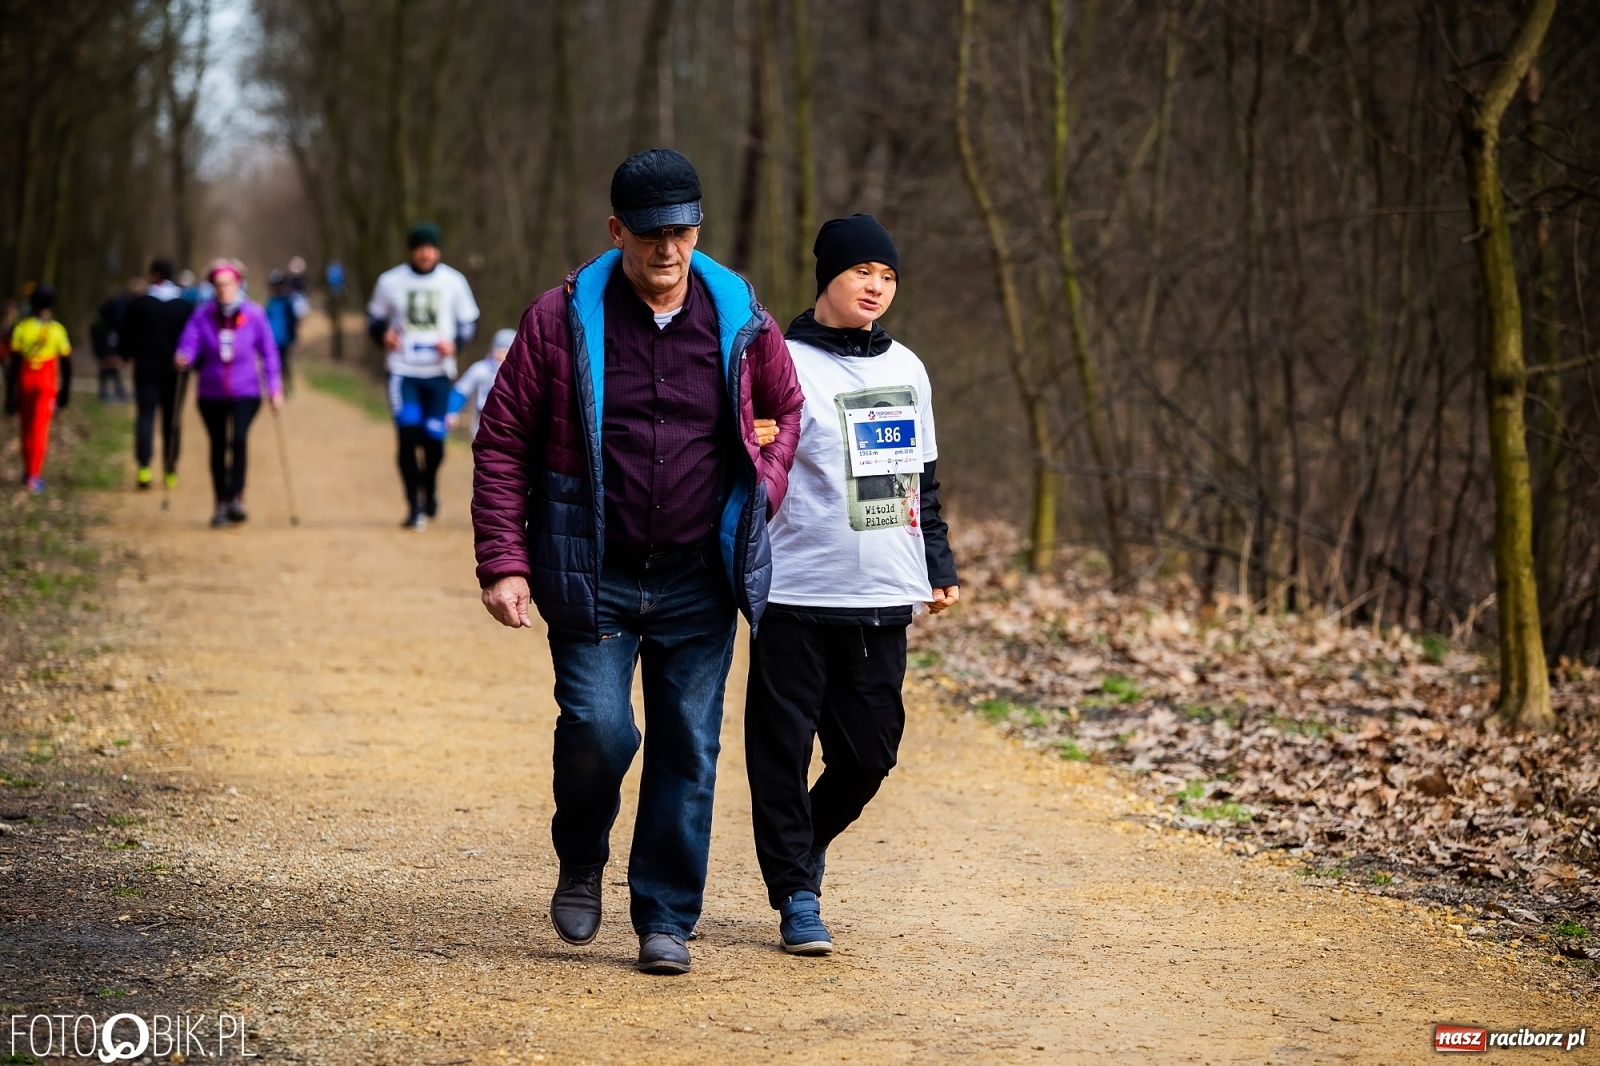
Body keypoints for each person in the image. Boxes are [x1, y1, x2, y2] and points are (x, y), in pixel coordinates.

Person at [472, 148, 803, 975]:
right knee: (599, 727)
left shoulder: (742, 322)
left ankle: (665, 918)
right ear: (617, 230)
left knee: (689, 746)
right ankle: (582, 853)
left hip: (700, 574)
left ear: (700, 230)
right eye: (650, 234)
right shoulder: (559, 320)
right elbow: (504, 438)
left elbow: (785, 410)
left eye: (682, 233)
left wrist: (757, 495)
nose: (668, 251)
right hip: (595, 570)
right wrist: (503, 561)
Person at [744, 215, 960, 955]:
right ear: (827, 277)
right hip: (796, 588)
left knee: (869, 754)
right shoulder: (781, 362)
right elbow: (749, 463)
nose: (876, 285)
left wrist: (939, 563)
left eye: (889, 275)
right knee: (780, 751)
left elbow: (922, 480)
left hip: (880, 594)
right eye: (862, 271)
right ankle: (797, 897)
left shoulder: (910, 368)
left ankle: (800, 847)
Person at [367, 222, 480, 530]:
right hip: (403, 373)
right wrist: (383, 337)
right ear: (411, 251)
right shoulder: (390, 281)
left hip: (439, 374)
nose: (426, 253)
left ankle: (429, 488)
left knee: (434, 442)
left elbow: (469, 322)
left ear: (438, 250)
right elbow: (374, 320)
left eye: (431, 248)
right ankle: (414, 507)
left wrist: (455, 343)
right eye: (420, 248)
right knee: (407, 437)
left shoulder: (453, 281)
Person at [174, 261, 284, 527]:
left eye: (228, 284)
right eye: (218, 285)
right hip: (211, 393)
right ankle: (220, 502)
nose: (223, 289)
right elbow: (190, 341)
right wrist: (184, 356)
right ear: (213, 287)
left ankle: (237, 496)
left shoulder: (255, 315)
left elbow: (269, 352)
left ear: (238, 285)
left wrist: (274, 388)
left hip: (246, 391)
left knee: (239, 439)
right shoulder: (202, 315)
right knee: (218, 445)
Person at [119, 259, 196, 490]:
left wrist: (126, 355)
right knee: (172, 420)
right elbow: (193, 337)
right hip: (176, 371)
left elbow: (125, 334)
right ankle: (170, 469)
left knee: (145, 416)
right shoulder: (184, 306)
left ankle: (144, 467)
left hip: (146, 368)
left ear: (154, 275)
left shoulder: (139, 304)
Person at [4, 284, 73, 493]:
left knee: (25, 427)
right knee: (40, 430)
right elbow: (68, 364)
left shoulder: (22, 328)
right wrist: (65, 392)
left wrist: (9, 394)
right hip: (46, 384)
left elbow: (14, 364)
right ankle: (34, 476)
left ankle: (27, 471)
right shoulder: (57, 330)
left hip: (25, 381)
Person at [446, 327, 512, 439]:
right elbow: (461, 391)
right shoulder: (480, 370)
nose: (504, 354)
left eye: (508, 351)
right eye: (501, 350)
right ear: (493, 349)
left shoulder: (519, 375)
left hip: (510, 428)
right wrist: (451, 411)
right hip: (481, 427)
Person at [90, 280, 141, 403]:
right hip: (103, 333)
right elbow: (117, 326)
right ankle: (105, 392)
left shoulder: (126, 302)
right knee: (109, 361)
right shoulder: (121, 304)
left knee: (112, 362)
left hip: (107, 333)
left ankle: (119, 391)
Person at [265, 269, 299, 390]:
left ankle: (287, 385)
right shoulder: (271, 302)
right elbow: (265, 320)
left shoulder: (287, 302)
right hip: (272, 339)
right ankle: (275, 386)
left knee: (285, 362)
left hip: (284, 339)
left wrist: (294, 338)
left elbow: (293, 322)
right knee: (273, 363)